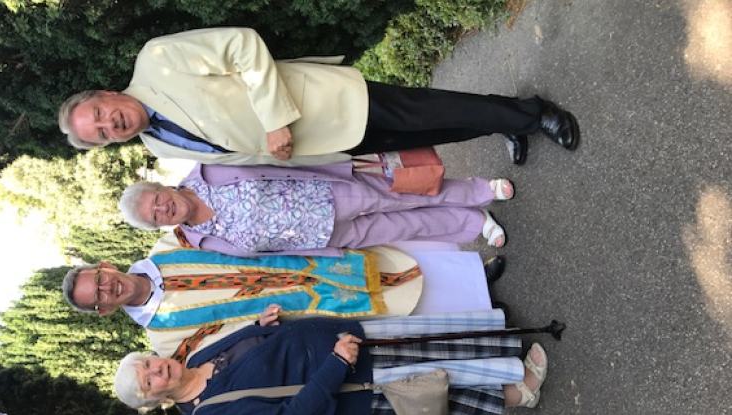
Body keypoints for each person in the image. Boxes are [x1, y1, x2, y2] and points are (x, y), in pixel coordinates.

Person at [58, 27, 579, 167]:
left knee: (433, 110)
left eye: (101, 114)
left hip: (321, 104)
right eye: (101, 134)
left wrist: (273, 119)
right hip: (323, 145)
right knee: (437, 131)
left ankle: (534, 114)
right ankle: (504, 119)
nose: (111, 125)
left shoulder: (156, 61)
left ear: (104, 93)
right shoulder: (159, 149)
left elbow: (241, 44)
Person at [113, 312, 549, 415]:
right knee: (438, 393)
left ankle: (506, 355)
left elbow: (253, 346)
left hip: (346, 344)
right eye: (148, 382)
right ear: (156, 400)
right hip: (351, 388)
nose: (156, 371)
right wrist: (335, 365)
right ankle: (520, 389)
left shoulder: (198, 355)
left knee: (437, 354)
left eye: (147, 364)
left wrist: (260, 325)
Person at [61, 231, 424, 362]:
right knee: (414, 315)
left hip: (307, 258)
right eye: (98, 298)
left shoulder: (172, 243)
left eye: (99, 280)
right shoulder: (165, 340)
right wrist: (257, 328)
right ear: (105, 311)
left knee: (409, 262)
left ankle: (478, 271)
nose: (107, 289)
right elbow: (229, 353)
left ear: (105, 266)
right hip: (308, 313)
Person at [119, 162, 512, 252]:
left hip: (327, 193)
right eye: (155, 217)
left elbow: (265, 161)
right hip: (323, 236)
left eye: (156, 200)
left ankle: (480, 191)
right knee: (407, 228)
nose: (163, 210)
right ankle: (474, 222)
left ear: (161, 186)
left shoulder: (206, 172)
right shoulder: (201, 241)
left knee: (405, 195)